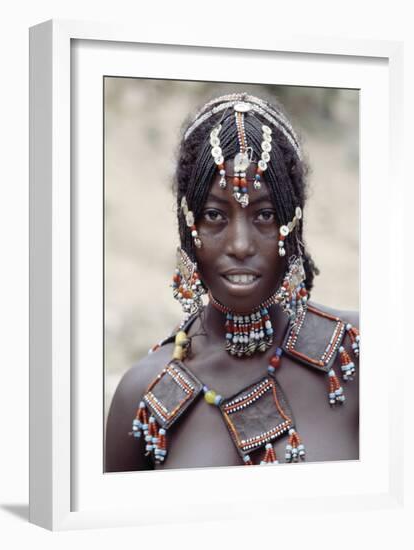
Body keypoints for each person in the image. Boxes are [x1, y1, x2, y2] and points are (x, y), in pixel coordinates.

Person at [105, 92, 359, 472]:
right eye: (214, 215)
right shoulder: (142, 396)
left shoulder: (356, 354)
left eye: (266, 215)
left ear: (294, 225)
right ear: (187, 227)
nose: (240, 245)